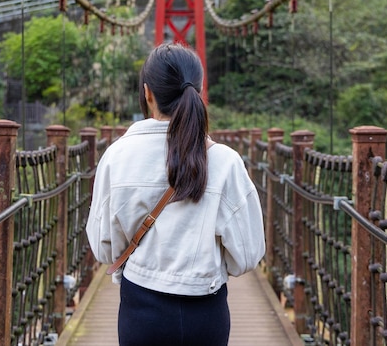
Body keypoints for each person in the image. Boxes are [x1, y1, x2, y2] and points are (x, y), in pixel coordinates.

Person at [86, 42, 265, 346]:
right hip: (206, 315)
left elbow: (104, 250)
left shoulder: (116, 157)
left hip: (141, 313)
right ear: (199, 89)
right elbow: (246, 256)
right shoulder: (226, 161)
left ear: (147, 93)